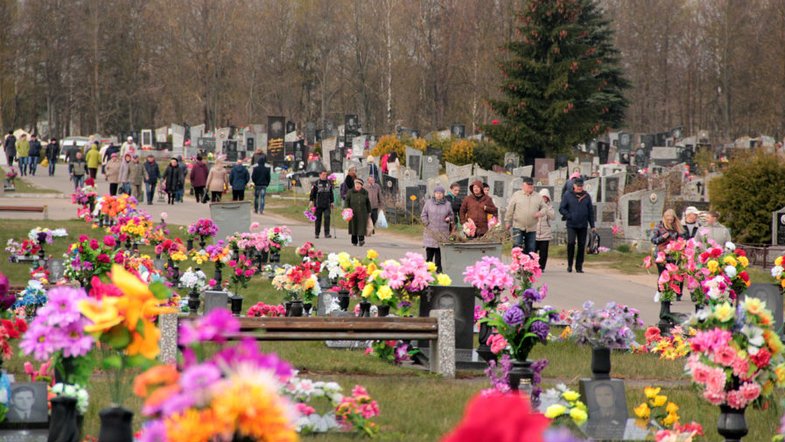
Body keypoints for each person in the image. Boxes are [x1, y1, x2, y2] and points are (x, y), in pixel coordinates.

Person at [559, 178, 596, 273]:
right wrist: (569, 216)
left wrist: (592, 225)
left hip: (583, 224)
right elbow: (562, 208)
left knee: (581, 245)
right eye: (578, 186)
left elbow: (590, 212)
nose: (579, 188)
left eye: (581, 186)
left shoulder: (586, 196)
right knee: (571, 243)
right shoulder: (568, 195)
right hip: (571, 224)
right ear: (574, 186)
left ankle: (579, 266)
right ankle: (570, 264)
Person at [504, 177, 545, 254]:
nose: (530, 187)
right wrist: (507, 221)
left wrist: (540, 213)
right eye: (528, 185)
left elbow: (545, 208)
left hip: (532, 227)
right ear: (523, 185)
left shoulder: (538, 196)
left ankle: (528, 265)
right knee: (517, 246)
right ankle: (517, 265)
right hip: (518, 226)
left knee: (531, 249)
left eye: (531, 185)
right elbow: (510, 208)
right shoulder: (517, 195)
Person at [421, 185, 453, 272]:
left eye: (441, 193)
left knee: (439, 252)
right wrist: (427, 223)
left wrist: (449, 218)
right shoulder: (428, 203)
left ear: (443, 194)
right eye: (437, 193)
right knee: (429, 251)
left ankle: (438, 269)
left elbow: (451, 215)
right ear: (434, 194)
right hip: (430, 231)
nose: (439, 195)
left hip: (442, 232)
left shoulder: (447, 204)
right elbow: (423, 215)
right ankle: (427, 269)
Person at [651, 209, 684, 276]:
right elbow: (653, 240)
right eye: (668, 220)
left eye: (671, 220)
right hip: (661, 256)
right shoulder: (659, 227)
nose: (669, 222)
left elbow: (681, 240)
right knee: (663, 276)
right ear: (664, 218)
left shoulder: (677, 228)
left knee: (673, 276)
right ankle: (661, 286)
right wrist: (662, 237)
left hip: (673, 256)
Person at [345, 177, 371, 246]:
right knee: (354, 226)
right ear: (354, 184)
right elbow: (347, 201)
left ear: (362, 185)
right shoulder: (350, 192)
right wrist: (346, 209)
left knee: (361, 226)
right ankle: (354, 241)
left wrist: (369, 211)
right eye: (356, 183)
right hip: (352, 212)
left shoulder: (365, 192)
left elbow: (368, 202)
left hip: (363, 212)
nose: (358, 185)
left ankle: (361, 240)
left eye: (359, 184)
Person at [535, 189, 556, 271]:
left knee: (543, 252)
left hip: (545, 232)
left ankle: (541, 267)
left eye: (545, 197)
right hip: (535, 231)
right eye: (542, 197)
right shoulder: (535, 206)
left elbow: (553, 217)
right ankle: (533, 266)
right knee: (533, 251)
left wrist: (546, 209)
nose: (544, 199)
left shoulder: (549, 207)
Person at [310, 170, 334, 239]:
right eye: (323, 175)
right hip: (318, 204)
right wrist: (311, 200)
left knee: (327, 218)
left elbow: (331, 193)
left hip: (327, 204)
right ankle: (317, 233)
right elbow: (313, 193)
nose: (324, 176)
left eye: (325, 175)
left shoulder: (329, 183)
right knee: (318, 219)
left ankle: (327, 233)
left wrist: (332, 202)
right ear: (320, 175)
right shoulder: (316, 183)